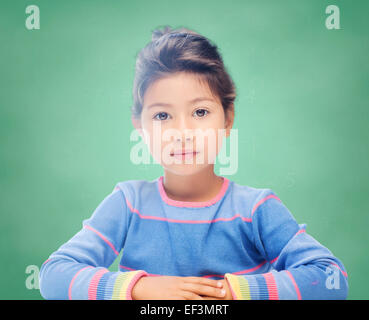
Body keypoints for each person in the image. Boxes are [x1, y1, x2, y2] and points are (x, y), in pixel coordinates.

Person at [39, 25, 348, 300]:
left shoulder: (256, 209)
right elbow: (53, 275)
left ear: (228, 119)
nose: (182, 133)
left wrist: (235, 291)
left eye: (200, 112)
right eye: (162, 115)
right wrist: (139, 289)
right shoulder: (128, 203)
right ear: (139, 125)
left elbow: (331, 278)